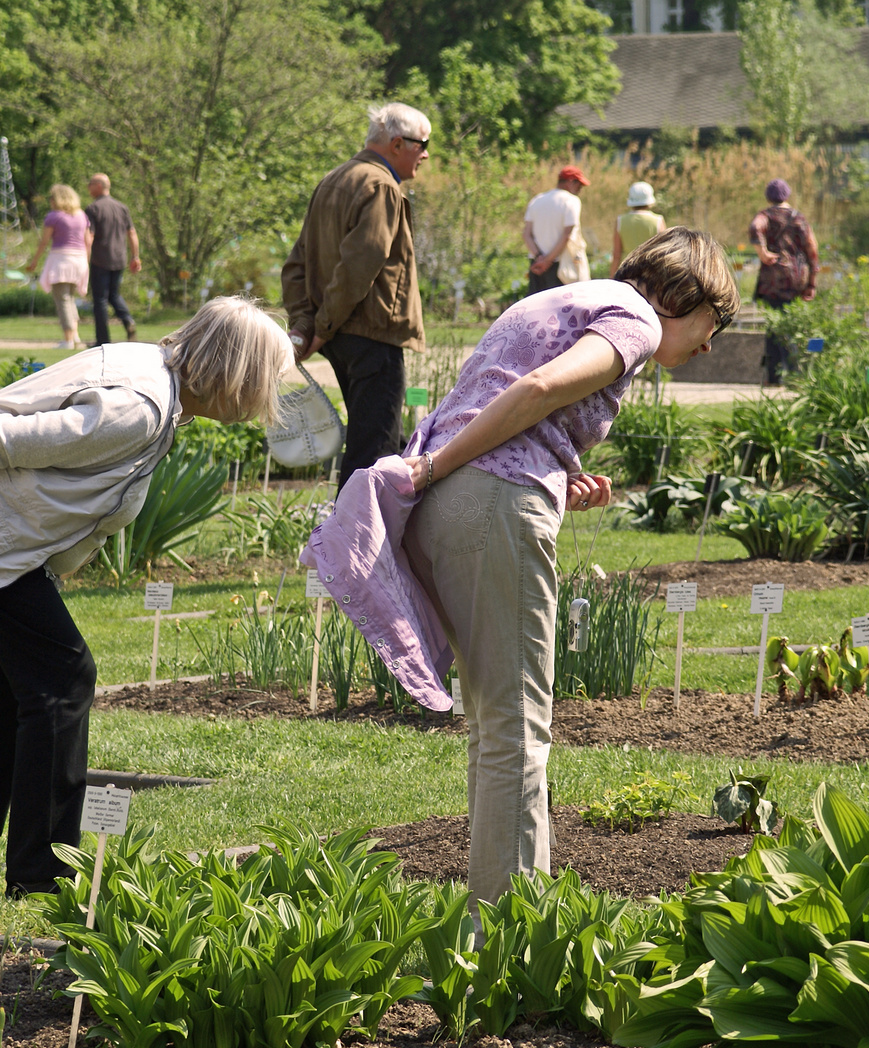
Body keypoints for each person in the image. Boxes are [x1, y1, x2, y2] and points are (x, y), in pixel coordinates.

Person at [302, 228, 739, 908]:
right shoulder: (636, 320)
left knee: (493, 726)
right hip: (477, 499)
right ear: (683, 296)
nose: (709, 345)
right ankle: (509, 940)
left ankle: (495, 922)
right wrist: (440, 468)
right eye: (713, 324)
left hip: (455, 506)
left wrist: (549, 476)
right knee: (516, 729)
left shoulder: (565, 297)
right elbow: (536, 389)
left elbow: (510, 403)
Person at [0, 297, 287, 899]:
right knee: (62, 679)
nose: (266, 393)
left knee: (4, 687)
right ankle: (43, 874)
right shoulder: (139, 407)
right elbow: (7, 439)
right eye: (266, 376)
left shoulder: (150, 375)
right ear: (237, 371)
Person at [281, 102, 429, 491]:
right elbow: (359, 265)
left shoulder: (334, 178)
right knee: (373, 451)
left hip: (342, 336)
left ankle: (393, 542)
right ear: (398, 143)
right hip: (372, 335)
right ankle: (350, 546)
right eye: (422, 144)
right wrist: (321, 326)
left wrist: (308, 326)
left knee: (388, 440)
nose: (426, 153)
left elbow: (297, 263)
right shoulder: (380, 186)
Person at [749, 178, 819, 386]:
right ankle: (779, 376)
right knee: (782, 327)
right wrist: (812, 282)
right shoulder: (799, 218)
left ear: (768, 197)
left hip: (774, 280)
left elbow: (755, 228)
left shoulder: (765, 216)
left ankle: (787, 375)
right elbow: (812, 250)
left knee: (777, 327)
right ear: (787, 195)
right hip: (797, 278)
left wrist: (762, 252)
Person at [25, 184, 93, 349]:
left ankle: (68, 339)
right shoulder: (81, 215)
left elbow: (44, 241)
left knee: (62, 299)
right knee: (69, 298)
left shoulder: (54, 216)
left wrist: (34, 261)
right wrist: (86, 262)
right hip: (79, 260)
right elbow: (88, 242)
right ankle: (75, 336)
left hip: (61, 260)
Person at [83, 173, 142, 346]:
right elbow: (131, 232)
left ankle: (103, 340)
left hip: (100, 259)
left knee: (100, 299)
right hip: (119, 259)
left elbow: (90, 236)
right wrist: (135, 256)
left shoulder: (93, 208)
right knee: (114, 295)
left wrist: (85, 260)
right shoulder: (122, 207)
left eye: (91, 184)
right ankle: (128, 320)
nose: (88, 187)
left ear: (99, 186)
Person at [523, 165, 590, 295]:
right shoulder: (571, 201)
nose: (580, 189)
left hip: (536, 265)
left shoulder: (536, 200)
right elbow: (567, 234)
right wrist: (547, 261)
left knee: (537, 308)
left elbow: (526, 234)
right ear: (570, 181)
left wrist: (539, 257)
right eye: (579, 185)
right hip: (560, 265)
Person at [610, 181, 666, 276]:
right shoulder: (658, 220)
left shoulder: (620, 220)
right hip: (650, 273)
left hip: (627, 271)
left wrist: (612, 277)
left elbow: (617, 255)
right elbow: (663, 252)